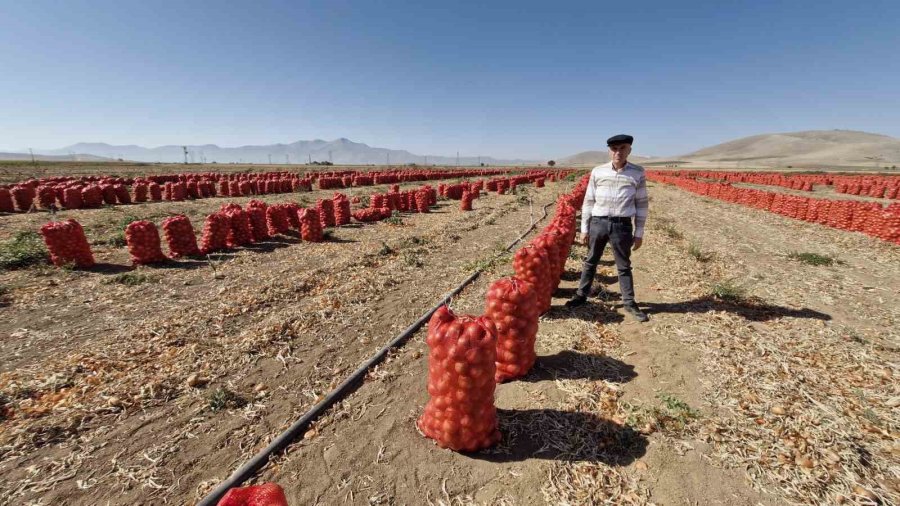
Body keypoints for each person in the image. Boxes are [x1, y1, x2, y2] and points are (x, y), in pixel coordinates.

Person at [565, 134, 649, 322]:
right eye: (614, 148)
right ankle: (581, 296)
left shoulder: (637, 172)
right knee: (590, 261)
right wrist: (584, 229)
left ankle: (629, 302)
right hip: (599, 222)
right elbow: (588, 201)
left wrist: (639, 233)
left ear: (629, 150)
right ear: (609, 150)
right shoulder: (598, 172)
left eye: (622, 148)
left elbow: (642, 204)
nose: (618, 152)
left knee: (624, 266)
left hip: (622, 225)